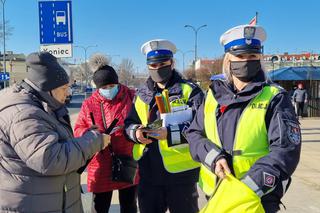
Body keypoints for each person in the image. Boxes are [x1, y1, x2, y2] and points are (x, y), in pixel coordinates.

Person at [185, 25, 301, 212]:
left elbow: (286, 150)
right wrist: (214, 158)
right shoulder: (212, 95)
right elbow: (194, 134)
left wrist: (246, 187)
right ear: (228, 59)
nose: (246, 61)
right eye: (240, 56)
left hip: (257, 197)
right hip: (217, 193)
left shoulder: (275, 97)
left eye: (253, 56)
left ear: (260, 58)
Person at [0, 52, 110, 212]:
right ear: (47, 88)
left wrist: (86, 137)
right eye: (64, 88)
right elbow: (50, 158)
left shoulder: (41, 104)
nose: (67, 94)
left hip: (44, 199)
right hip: (33, 203)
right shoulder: (24, 113)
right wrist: (94, 141)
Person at [124, 39, 204, 213]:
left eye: (162, 63)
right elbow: (128, 124)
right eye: (153, 65)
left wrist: (169, 133)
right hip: (149, 174)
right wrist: (136, 133)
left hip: (182, 177)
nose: (157, 68)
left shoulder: (190, 91)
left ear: (172, 63)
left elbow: (202, 129)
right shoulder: (141, 94)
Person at [74, 54, 138, 213]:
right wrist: (91, 134)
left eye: (112, 86)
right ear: (97, 88)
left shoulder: (132, 97)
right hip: (100, 162)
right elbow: (78, 129)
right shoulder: (89, 104)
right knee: (99, 207)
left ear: (117, 83)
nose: (109, 90)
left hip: (127, 159)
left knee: (129, 205)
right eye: (104, 87)